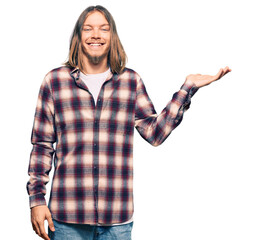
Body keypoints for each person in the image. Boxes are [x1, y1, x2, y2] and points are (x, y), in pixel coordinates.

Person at [26, 5, 231, 240]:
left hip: (117, 220)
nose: (96, 35)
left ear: (112, 37)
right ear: (78, 36)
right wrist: (36, 200)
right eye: (88, 29)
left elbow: (155, 134)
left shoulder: (130, 81)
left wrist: (187, 88)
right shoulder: (54, 81)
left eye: (104, 29)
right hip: (66, 217)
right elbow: (42, 145)